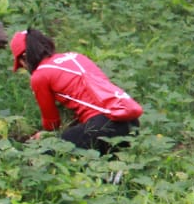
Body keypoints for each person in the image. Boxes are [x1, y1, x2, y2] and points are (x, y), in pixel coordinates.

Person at [11, 29, 143, 153]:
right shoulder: (75, 56)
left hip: (102, 125)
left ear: (25, 56)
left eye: (21, 63)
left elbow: (52, 123)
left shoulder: (40, 75)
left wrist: (44, 135)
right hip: (130, 121)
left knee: (49, 151)